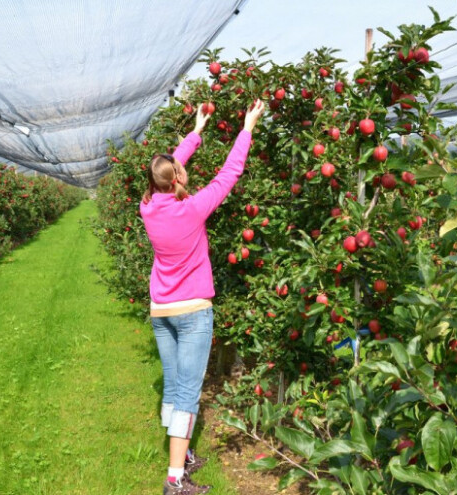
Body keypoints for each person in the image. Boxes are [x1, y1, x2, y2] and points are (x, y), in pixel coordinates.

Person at [140, 99, 265, 495]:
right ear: (176, 177)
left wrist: (196, 132)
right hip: (193, 310)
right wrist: (247, 128)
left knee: (174, 384)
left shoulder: (147, 207)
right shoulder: (192, 209)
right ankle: (175, 479)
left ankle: (184, 455)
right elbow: (230, 173)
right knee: (187, 395)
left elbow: (165, 168)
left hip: (161, 310)